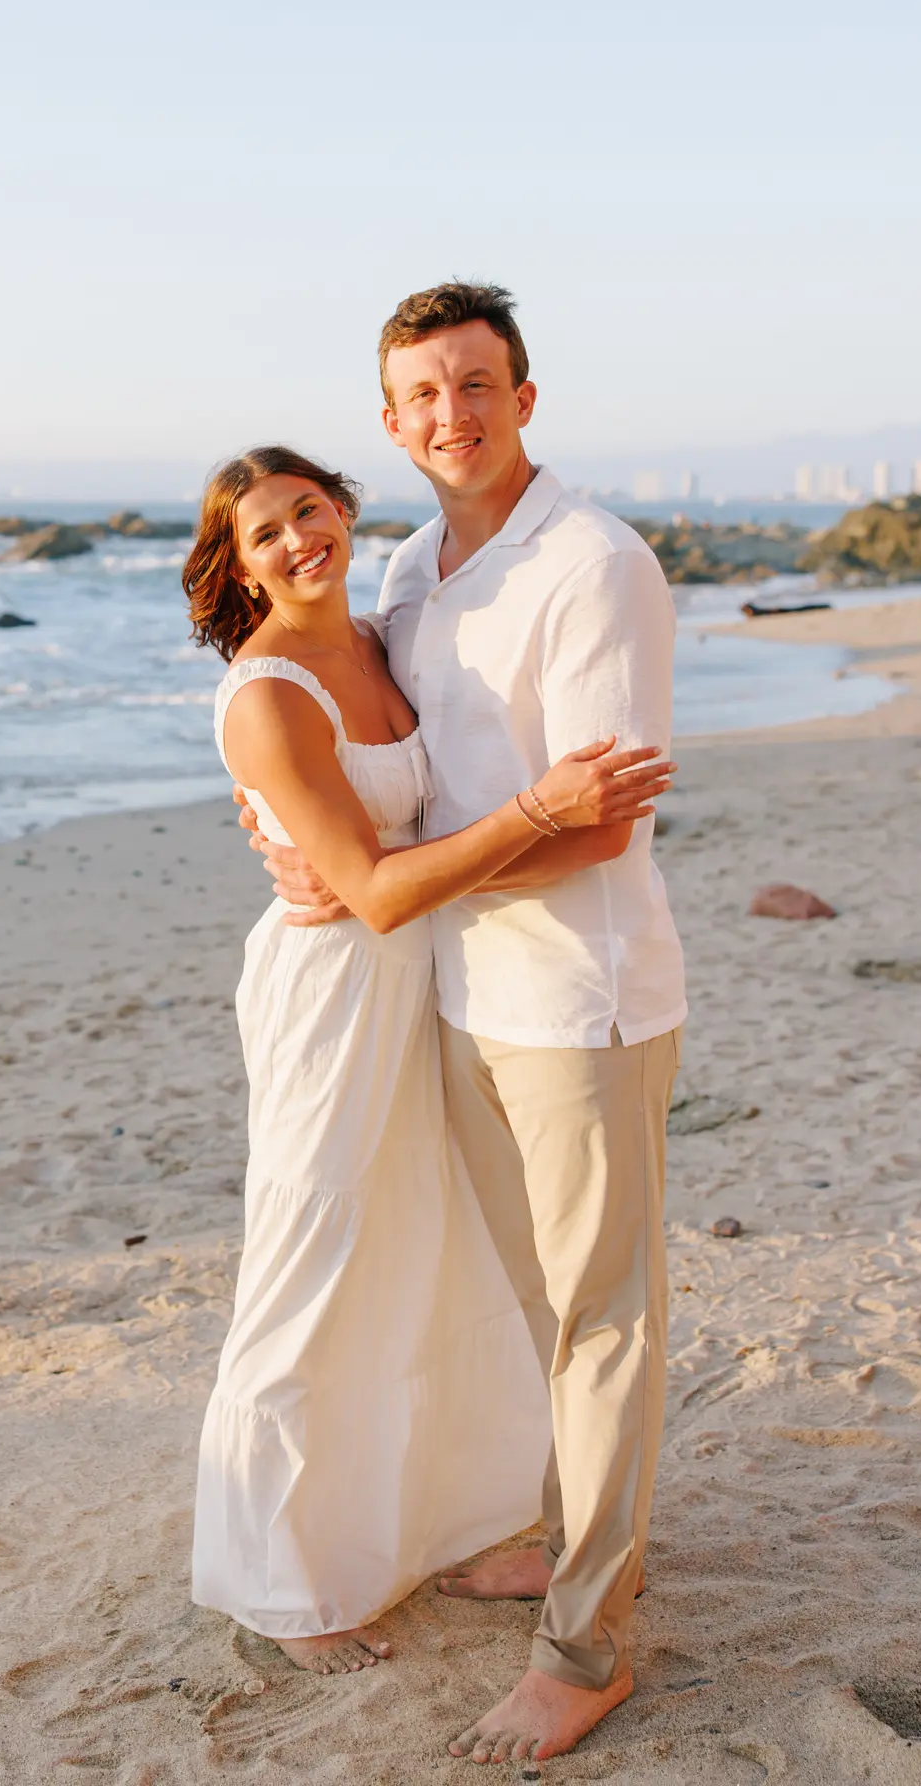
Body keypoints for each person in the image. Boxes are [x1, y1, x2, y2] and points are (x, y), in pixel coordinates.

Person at [241, 282, 687, 1765]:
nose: (452, 413)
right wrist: (307, 850)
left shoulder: (596, 564)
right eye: (422, 394)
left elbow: (596, 830)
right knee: (531, 1307)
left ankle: (587, 1642)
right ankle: (568, 1528)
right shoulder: (412, 575)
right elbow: (364, 748)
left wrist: (401, 873)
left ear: (525, 396)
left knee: (599, 1322)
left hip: (580, 998)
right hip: (449, 988)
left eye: (476, 383)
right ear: (391, 421)